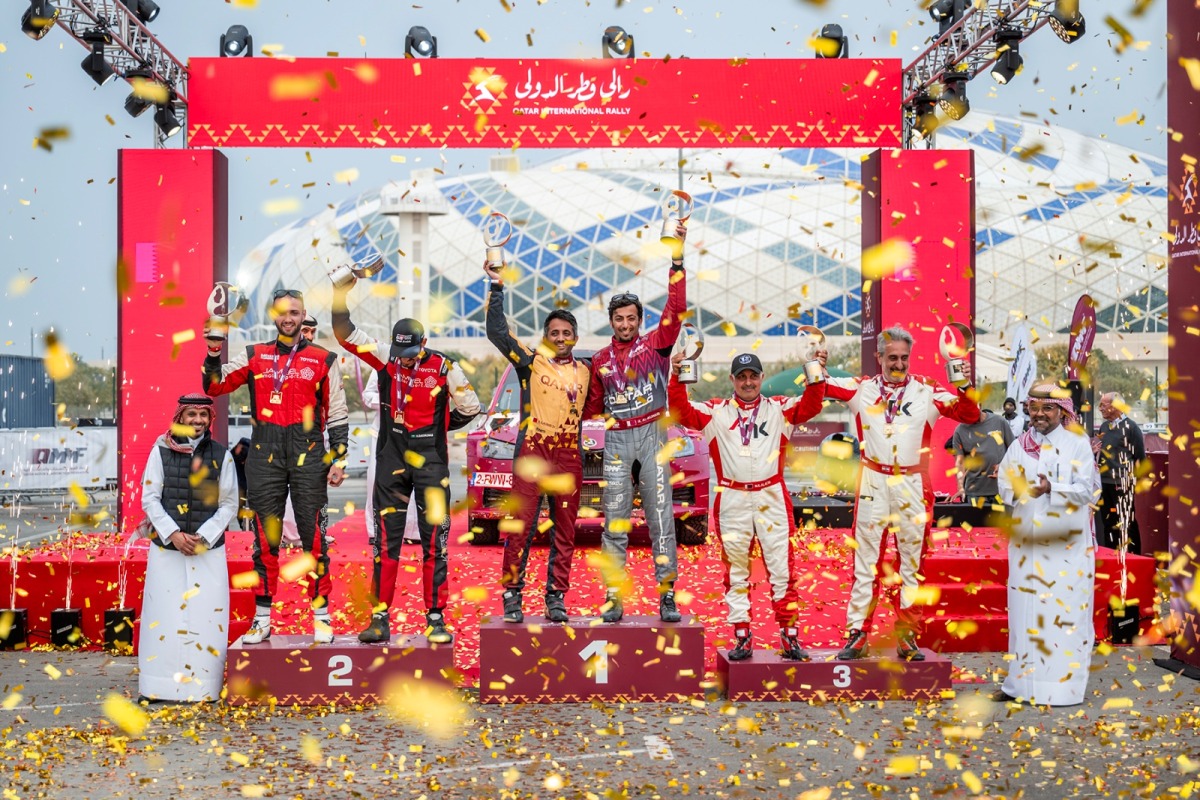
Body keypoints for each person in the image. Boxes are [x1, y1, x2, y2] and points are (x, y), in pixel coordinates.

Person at [332, 278, 481, 645]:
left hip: (431, 462)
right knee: (385, 544)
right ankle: (379, 618)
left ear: (424, 343)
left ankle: (435, 618)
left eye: (414, 352)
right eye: (403, 354)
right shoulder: (384, 355)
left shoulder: (447, 368)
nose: (407, 359)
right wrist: (339, 295)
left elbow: (472, 408)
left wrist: (439, 427)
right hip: (391, 461)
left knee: (435, 544)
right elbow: (344, 334)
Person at [823, 326, 980, 660]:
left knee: (911, 564)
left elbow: (971, 415)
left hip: (912, 483)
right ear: (878, 357)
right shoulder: (860, 389)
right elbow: (820, 386)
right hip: (873, 481)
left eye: (903, 358)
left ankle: (907, 635)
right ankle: (857, 634)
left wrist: (965, 384)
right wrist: (816, 362)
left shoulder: (928, 390)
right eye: (891, 357)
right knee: (865, 562)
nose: (898, 364)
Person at [203, 290, 349, 645]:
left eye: (295, 312)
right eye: (283, 312)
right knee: (264, 542)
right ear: (274, 315)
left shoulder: (324, 359)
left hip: (309, 456)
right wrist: (212, 348)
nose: (288, 318)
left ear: (303, 315)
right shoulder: (254, 355)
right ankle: (264, 618)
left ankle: (321, 616)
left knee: (313, 540)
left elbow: (339, 413)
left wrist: (339, 459)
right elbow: (213, 385)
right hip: (265, 455)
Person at [669, 352, 825, 660]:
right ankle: (742, 635)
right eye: (742, 377)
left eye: (753, 376)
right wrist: (676, 376)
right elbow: (680, 410)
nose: (748, 382)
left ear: (761, 377)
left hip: (771, 496)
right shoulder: (716, 411)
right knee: (736, 572)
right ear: (732, 380)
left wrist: (816, 368)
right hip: (732, 497)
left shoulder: (779, 408)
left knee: (782, 569)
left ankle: (789, 635)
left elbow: (812, 405)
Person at [582, 223, 688, 623]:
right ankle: (613, 594)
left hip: (652, 435)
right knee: (614, 519)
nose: (625, 324)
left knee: (661, 517)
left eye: (631, 318)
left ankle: (667, 594)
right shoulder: (599, 361)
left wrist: (677, 257)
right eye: (619, 319)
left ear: (640, 319)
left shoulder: (657, 344)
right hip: (616, 440)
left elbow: (676, 309)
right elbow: (592, 406)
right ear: (611, 321)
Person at [484, 262, 591, 624]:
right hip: (533, 451)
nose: (561, 338)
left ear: (575, 337)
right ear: (546, 336)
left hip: (568, 456)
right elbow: (497, 332)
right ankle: (512, 595)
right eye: (555, 332)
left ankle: (555, 596)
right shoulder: (530, 362)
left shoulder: (589, 369)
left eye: (567, 332)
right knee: (521, 527)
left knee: (565, 531)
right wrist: (496, 286)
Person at [994, 383, 1098, 705]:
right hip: (1027, 545)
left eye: (1047, 408)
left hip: (1065, 549)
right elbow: (1004, 485)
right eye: (1034, 408)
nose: (1039, 414)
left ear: (1061, 410)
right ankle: (1019, 687)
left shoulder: (1077, 444)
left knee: (1063, 617)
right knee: (1023, 615)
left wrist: (1053, 487)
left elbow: (1088, 491)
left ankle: (1061, 690)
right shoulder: (1019, 446)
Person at [137, 394, 237, 702]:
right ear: (180, 417)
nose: (197, 420)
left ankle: (204, 688)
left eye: (202, 415)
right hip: (167, 550)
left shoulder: (222, 455)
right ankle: (156, 687)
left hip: (207, 551)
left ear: (210, 419)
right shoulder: (161, 450)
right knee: (163, 616)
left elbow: (229, 504)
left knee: (206, 617)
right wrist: (174, 534)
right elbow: (150, 499)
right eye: (191, 414)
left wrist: (203, 536)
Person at [281, 315, 329, 548]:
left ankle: (317, 531)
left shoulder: (321, 357)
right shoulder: (278, 356)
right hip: (288, 434)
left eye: (313, 331)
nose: (309, 336)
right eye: (306, 330)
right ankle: (291, 534)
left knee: (317, 486)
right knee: (290, 488)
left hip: (318, 433)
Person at [1093, 391, 1145, 554]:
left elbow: (1140, 458)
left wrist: (1132, 482)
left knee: (1126, 522)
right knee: (1108, 522)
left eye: (1103, 405)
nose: (1100, 409)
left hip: (1122, 484)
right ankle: (1111, 555)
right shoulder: (1103, 427)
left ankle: (1133, 556)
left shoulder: (1132, 427)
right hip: (1104, 483)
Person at [951, 408, 1015, 506]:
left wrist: (1004, 467)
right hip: (975, 493)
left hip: (1001, 489)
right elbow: (960, 463)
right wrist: (960, 488)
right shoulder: (960, 430)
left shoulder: (999, 422)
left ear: (978, 406)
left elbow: (1014, 451)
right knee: (976, 521)